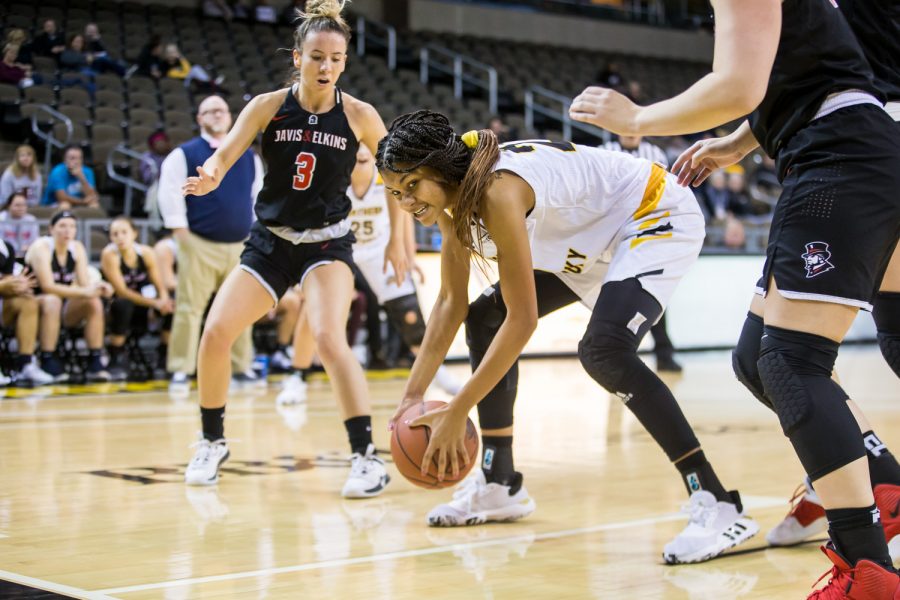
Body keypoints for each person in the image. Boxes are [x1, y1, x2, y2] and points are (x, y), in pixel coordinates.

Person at [570, 0, 900, 594]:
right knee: (757, 357)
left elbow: (738, 83)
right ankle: (882, 485)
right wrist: (742, 142)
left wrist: (639, 118)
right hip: (854, 143)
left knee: (789, 360)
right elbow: (804, 68)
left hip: (841, 153)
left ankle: (867, 567)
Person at [377, 111, 757, 563]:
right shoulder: (454, 199)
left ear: (440, 169)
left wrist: (458, 410)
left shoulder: (498, 192)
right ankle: (500, 482)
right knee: (484, 317)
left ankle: (716, 502)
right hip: (593, 239)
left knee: (604, 351)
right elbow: (448, 305)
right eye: (395, 192)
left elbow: (523, 320)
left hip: (654, 211)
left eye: (412, 186)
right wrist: (412, 396)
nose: (404, 202)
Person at [179, 0, 408, 497]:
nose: (326, 67)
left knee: (328, 339)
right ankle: (212, 441)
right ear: (297, 57)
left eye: (336, 58)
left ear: (345, 61)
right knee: (216, 332)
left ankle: (365, 458)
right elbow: (225, 153)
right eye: (317, 57)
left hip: (326, 243)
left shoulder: (361, 115)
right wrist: (209, 177)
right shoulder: (267, 105)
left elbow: (399, 180)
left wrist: (398, 243)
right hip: (270, 243)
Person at [157, 95, 263, 394]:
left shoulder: (248, 155)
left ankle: (242, 366)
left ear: (230, 117)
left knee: (243, 309)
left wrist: (256, 235)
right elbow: (169, 193)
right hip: (199, 242)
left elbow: (258, 196)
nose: (217, 115)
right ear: (199, 118)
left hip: (241, 244)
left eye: (221, 110)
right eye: (209, 111)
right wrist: (181, 234)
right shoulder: (184, 153)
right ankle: (181, 368)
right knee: (190, 308)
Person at [603, 133, 682, 373]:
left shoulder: (654, 153)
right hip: (611, 233)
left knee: (653, 294)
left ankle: (663, 354)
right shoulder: (604, 149)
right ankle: (611, 353)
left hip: (646, 232)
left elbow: (664, 192)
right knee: (608, 298)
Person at [25, 211, 114, 382]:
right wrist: (84, 291)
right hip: (34, 305)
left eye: (72, 226)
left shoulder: (77, 248)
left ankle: (95, 359)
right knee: (53, 300)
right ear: (51, 229)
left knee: (93, 301)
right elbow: (47, 286)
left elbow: (84, 284)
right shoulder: (41, 247)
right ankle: (47, 357)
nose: (68, 231)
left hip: (63, 307)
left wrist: (100, 287)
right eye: (62, 226)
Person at [100, 217, 173, 380]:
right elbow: (122, 291)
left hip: (144, 303)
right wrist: (156, 302)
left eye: (124, 232)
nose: (120, 237)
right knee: (123, 304)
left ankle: (164, 353)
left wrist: (164, 300)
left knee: (173, 304)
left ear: (134, 233)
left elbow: (159, 284)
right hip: (118, 305)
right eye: (115, 234)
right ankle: (116, 356)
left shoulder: (146, 253)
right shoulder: (109, 255)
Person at [0, 238, 54, 386]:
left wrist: (17, 286)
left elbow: (6, 287)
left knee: (28, 302)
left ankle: (26, 364)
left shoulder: (5, 247)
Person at [152, 230, 178, 374]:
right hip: (159, 295)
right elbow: (167, 282)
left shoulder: (204, 242)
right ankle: (164, 351)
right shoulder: (166, 246)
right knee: (174, 303)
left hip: (189, 290)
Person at [0, 190, 39, 256]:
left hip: (27, 254)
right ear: (9, 206)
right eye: (17, 205)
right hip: (5, 255)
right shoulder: (1, 219)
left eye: (24, 205)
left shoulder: (31, 220)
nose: (21, 208)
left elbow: (35, 241)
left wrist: (28, 248)